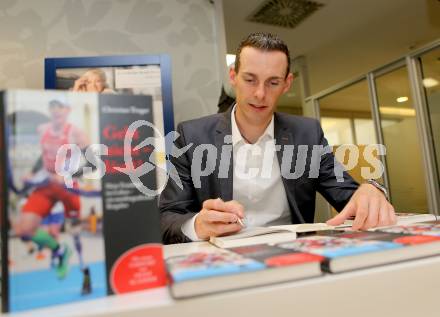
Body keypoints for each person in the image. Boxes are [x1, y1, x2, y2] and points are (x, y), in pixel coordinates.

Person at [159, 32, 396, 244]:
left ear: (287, 84)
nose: (260, 94)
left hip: (293, 255)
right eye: (250, 79)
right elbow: (166, 217)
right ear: (233, 76)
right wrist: (197, 225)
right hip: (222, 260)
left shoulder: (307, 135)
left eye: (273, 82)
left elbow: (349, 196)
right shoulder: (192, 136)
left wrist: (372, 189)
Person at [13, 98, 89, 278]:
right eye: (52, 107)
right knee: (23, 230)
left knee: (75, 233)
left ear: (68, 109)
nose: (56, 111)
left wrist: (67, 176)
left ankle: (85, 272)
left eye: (60, 107)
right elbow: (44, 155)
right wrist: (32, 173)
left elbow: (94, 164)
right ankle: (60, 250)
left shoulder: (76, 133)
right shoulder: (43, 130)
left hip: (68, 188)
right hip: (46, 186)